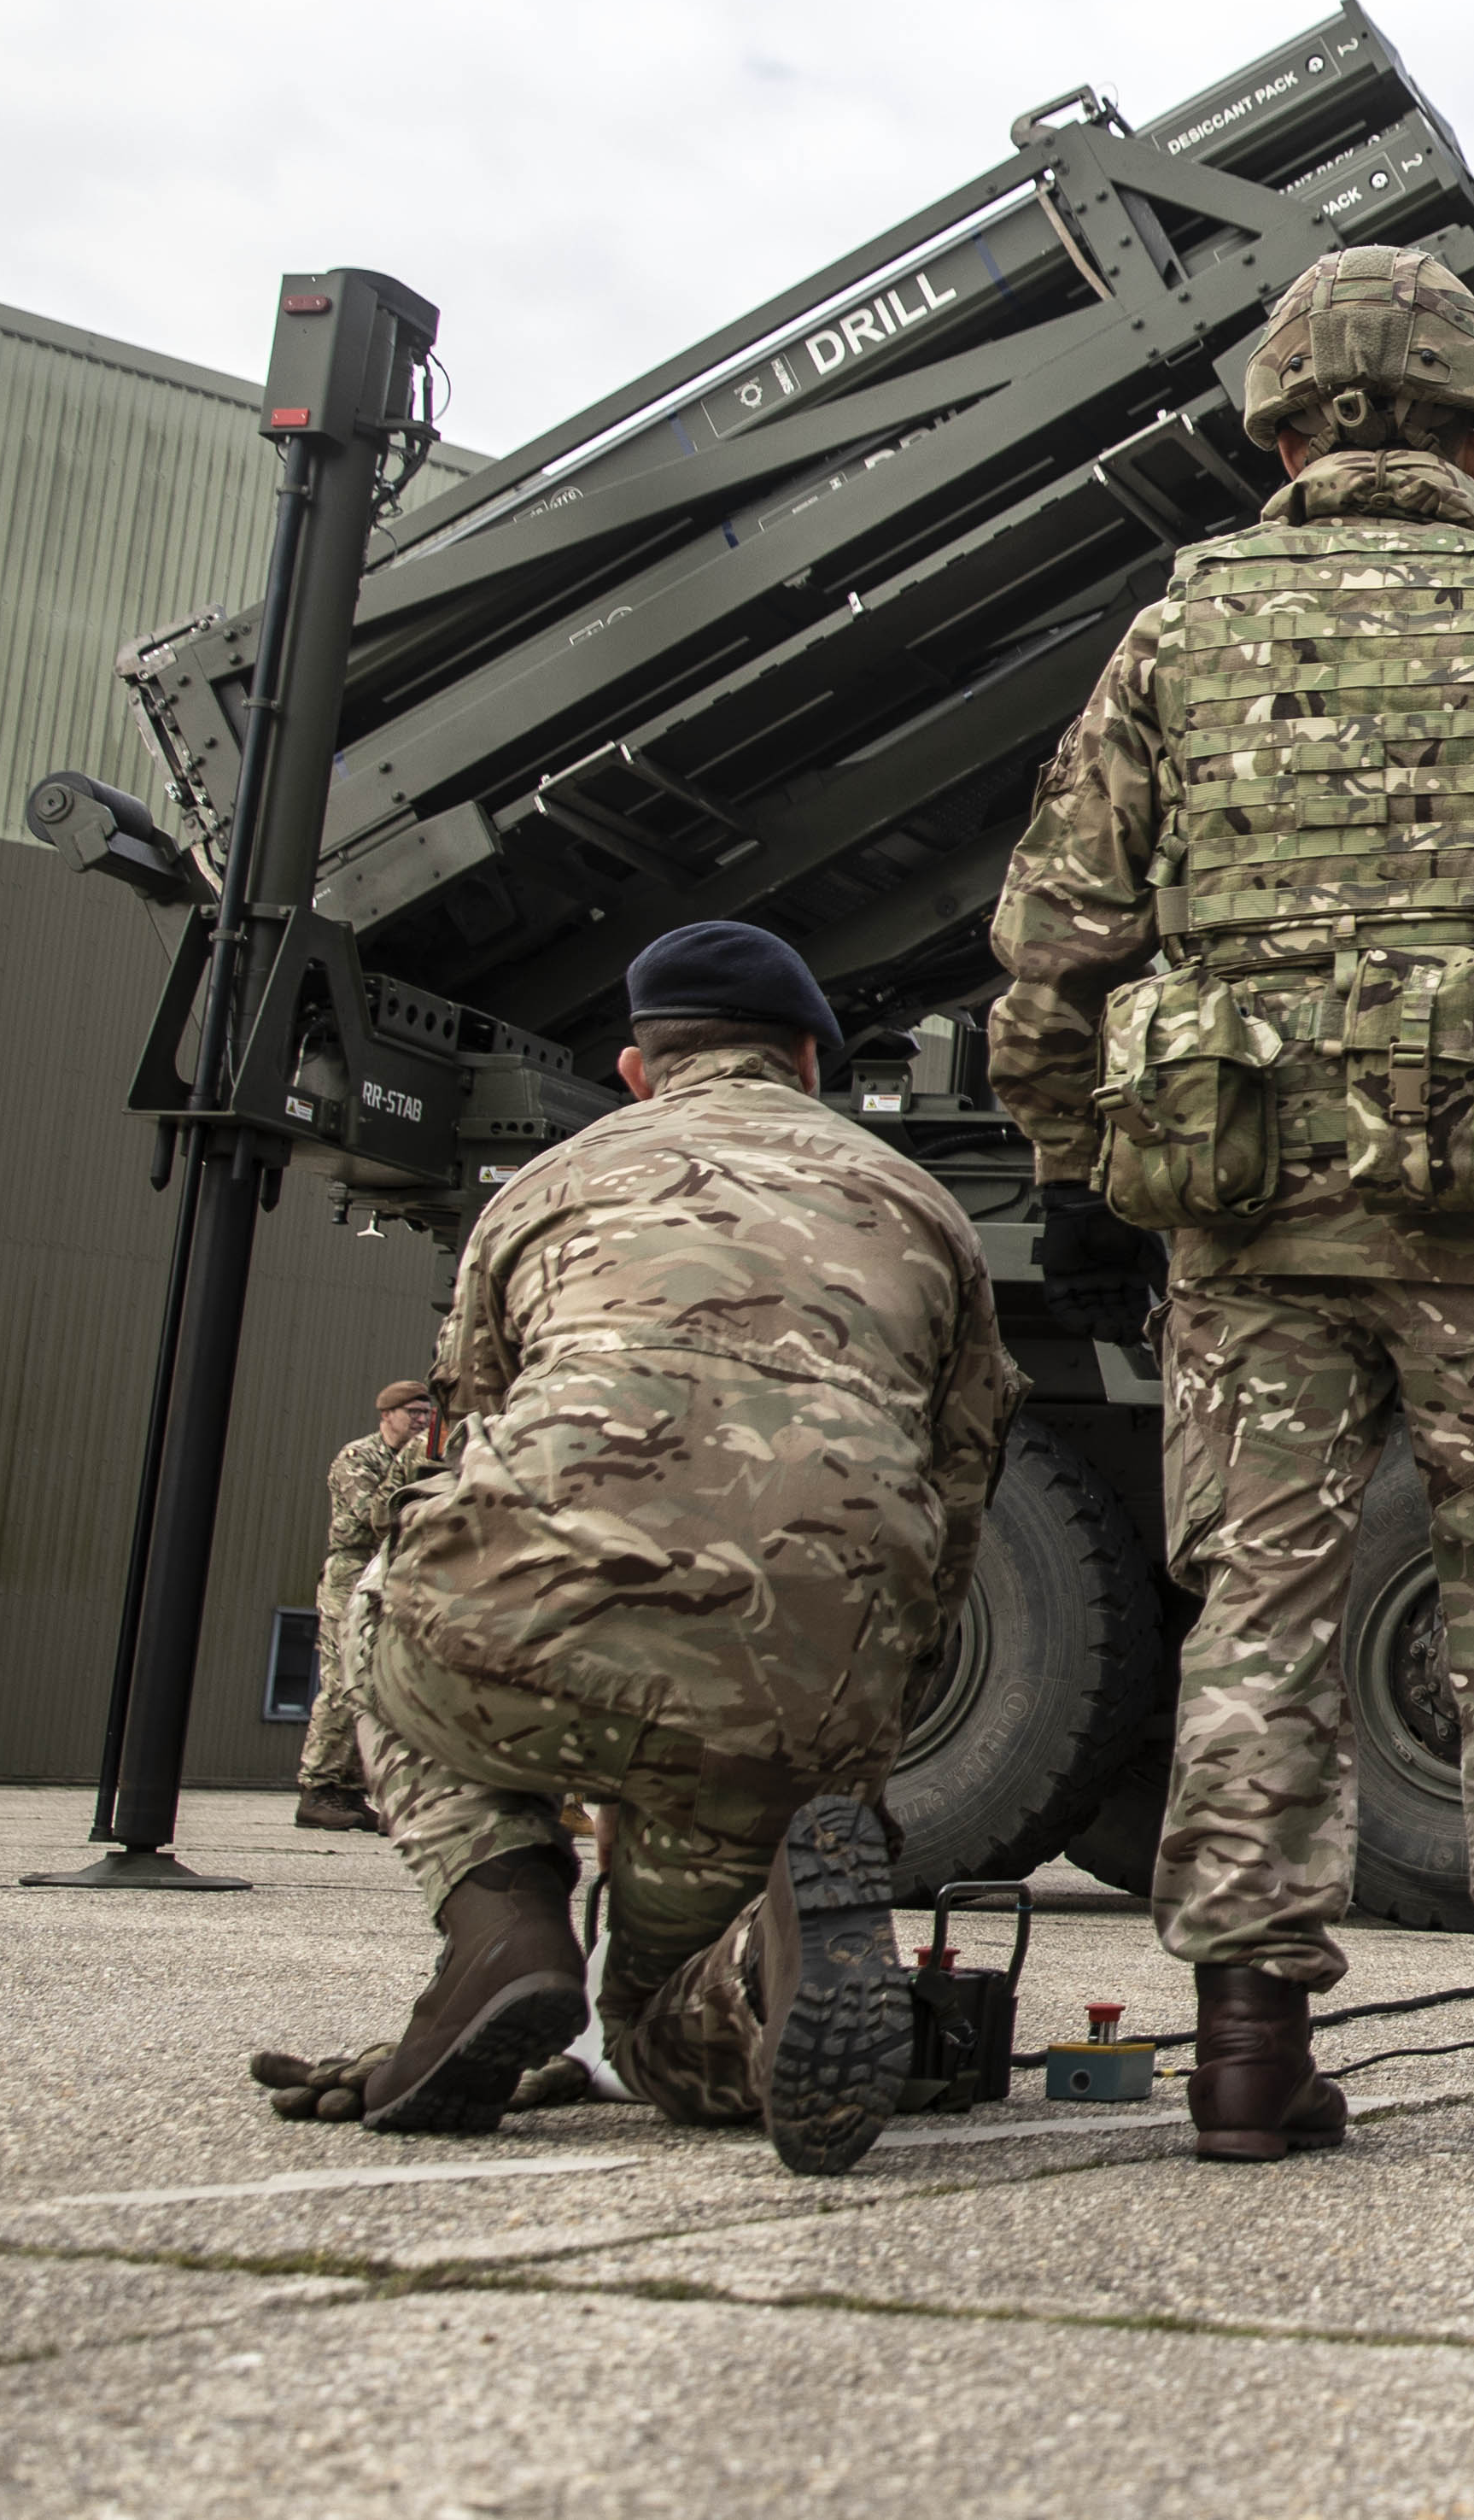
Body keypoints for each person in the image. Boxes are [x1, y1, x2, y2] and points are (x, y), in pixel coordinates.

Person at [991, 243, 1474, 2167]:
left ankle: (1247, 2049)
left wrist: (1093, 1166)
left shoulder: (1169, 641)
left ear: (1278, 423)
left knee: (1258, 1615)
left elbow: (1051, 949)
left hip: (1245, 1229)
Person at [339, 919, 1017, 2175]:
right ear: (809, 1061)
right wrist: (867, 1718)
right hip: (787, 1689)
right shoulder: (924, 1209)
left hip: (519, 1639)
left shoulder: (551, 1179)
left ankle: (501, 1918)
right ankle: (758, 1977)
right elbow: (958, 1482)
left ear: (639, 1068)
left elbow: (470, 1429)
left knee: (380, 1589)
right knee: (659, 2035)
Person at [289, 1380, 447, 1833]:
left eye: (426, 1413)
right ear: (387, 1415)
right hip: (352, 1572)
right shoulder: (359, 1458)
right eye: (412, 1412)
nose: (421, 1420)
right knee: (342, 1681)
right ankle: (320, 1787)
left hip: (394, 1571)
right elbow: (371, 1519)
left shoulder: (420, 1458)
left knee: (382, 1685)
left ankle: (353, 1789)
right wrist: (410, 1467)